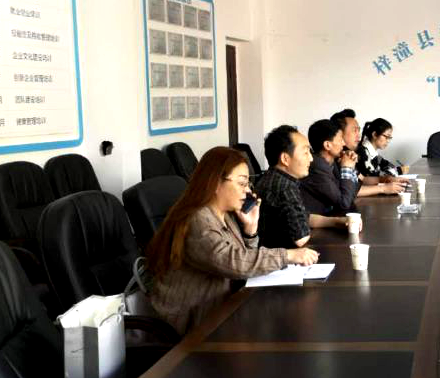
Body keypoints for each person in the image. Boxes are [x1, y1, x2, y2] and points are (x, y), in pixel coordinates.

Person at [146, 147, 318, 334]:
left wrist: (250, 230)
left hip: (219, 311)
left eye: (248, 184)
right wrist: (288, 255)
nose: (248, 191)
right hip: (189, 326)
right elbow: (233, 263)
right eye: (242, 183)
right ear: (215, 183)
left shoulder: (225, 215)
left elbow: (244, 263)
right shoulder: (198, 220)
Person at [255, 125, 353, 250]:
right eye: (305, 152)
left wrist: (337, 222)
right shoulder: (285, 187)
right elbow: (301, 238)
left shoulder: (274, 177)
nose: (311, 159)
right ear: (285, 158)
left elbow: (304, 217)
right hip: (282, 256)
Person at [331, 108, 406, 192]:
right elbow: (350, 190)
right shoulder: (336, 161)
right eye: (354, 130)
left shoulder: (348, 154)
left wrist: (386, 179)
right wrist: (383, 188)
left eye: (359, 130)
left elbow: (362, 179)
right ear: (339, 134)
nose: (359, 135)